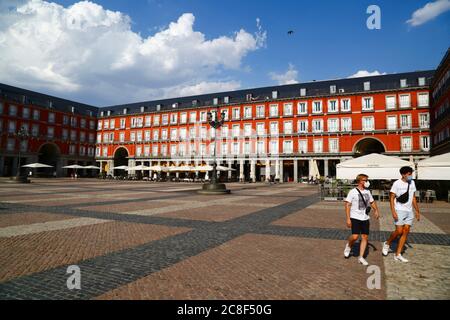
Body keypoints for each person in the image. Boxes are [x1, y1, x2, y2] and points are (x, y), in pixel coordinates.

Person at [382, 166, 420, 262]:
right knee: (399, 231)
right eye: (409, 174)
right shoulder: (397, 184)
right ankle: (387, 243)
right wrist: (393, 211)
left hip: (409, 210)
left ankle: (398, 254)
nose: (411, 176)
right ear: (403, 174)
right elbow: (391, 198)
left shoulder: (412, 183)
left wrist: (417, 211)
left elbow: (413, 198)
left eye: (411, 174)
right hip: (399, 209)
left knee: (406, 231)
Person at [344, 174, 380, 266]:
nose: (367, 182)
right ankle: (349, 245)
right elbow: (347, 205)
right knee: (355, 237)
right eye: (365, 180)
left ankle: (361, 257)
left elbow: (372, 202)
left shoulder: (368, 192)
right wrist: (348, 218)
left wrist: (376, 210)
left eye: (367, 180)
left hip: (365, 217)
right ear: (360, 181)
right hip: (355, 217)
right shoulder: (352, 192)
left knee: (365, 237)